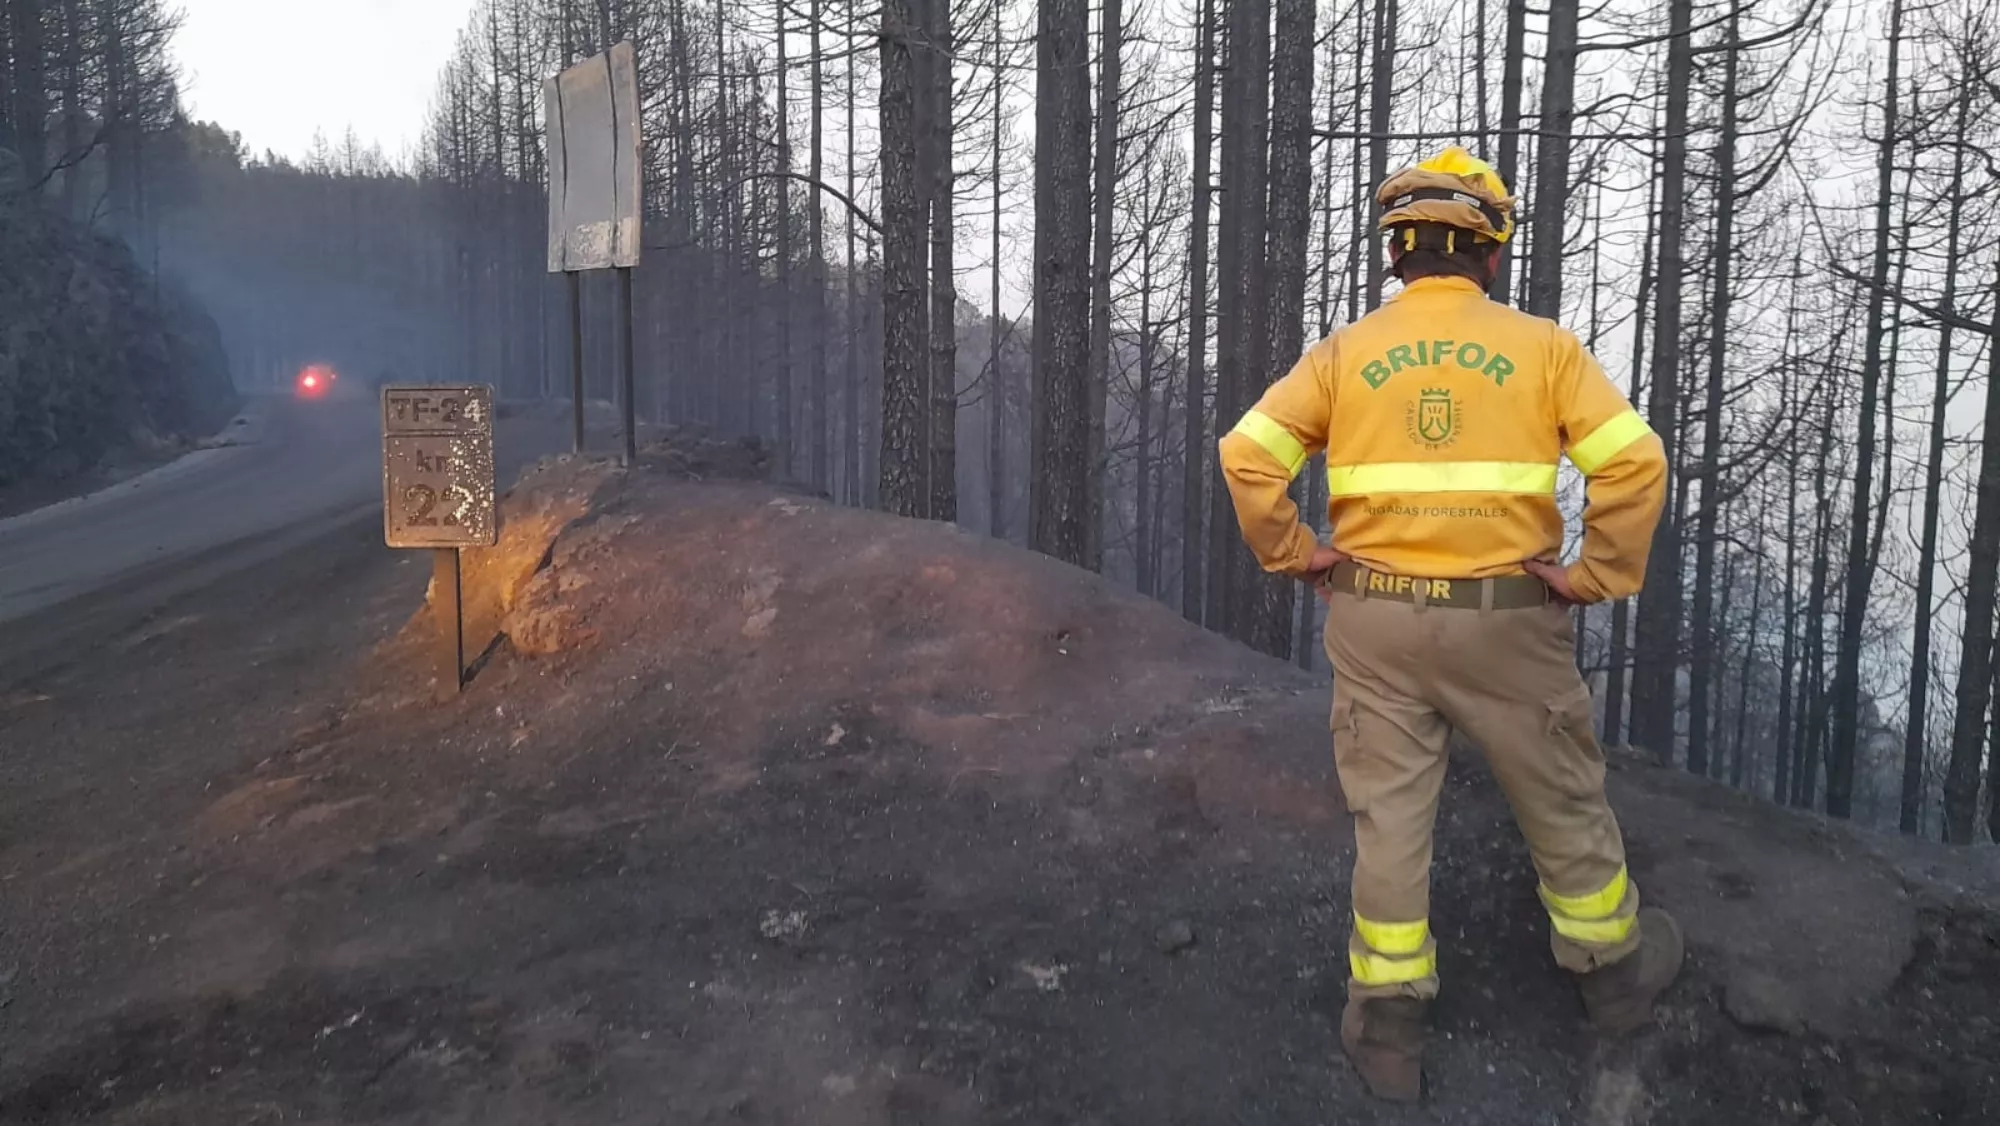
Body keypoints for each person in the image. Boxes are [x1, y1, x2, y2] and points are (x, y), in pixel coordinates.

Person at [1216, 146, 1683, 1102]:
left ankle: (1388, 1033)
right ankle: (1613, 980)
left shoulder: (1343, 354)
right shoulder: (1544, 350)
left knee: (1389, 821)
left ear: (1397, 257)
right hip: (1507, 625)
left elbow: (1247, 455)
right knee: (1560, 798)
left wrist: (1297, 551)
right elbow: (1635, 466)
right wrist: (1591, 574)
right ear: (1492, 256)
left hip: (1375, 622)